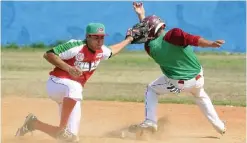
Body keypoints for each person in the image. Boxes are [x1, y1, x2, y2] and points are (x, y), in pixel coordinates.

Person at [15, 23, 134, 142]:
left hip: (72, 95)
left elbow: (112, 51)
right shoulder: (76, 46)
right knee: (75, 87)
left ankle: (33, 124)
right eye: (95, 37)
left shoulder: (101, 51)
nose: (99, 41)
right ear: (87, 37)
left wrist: (129, 39)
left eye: (102, 37)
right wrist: (69, 69)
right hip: (57, 84)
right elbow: (49, 54)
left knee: (71, 138)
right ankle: (62, 128)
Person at [129, 2, 226, 135]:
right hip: (199, 78)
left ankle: (150, 121)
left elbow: (149, 35)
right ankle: (219, 126)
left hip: (178, 83)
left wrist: (141, 15)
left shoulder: (149, 48)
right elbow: (194, 40)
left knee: (152, 89)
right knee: (201, 95)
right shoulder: (173, 35)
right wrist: (211, 44)